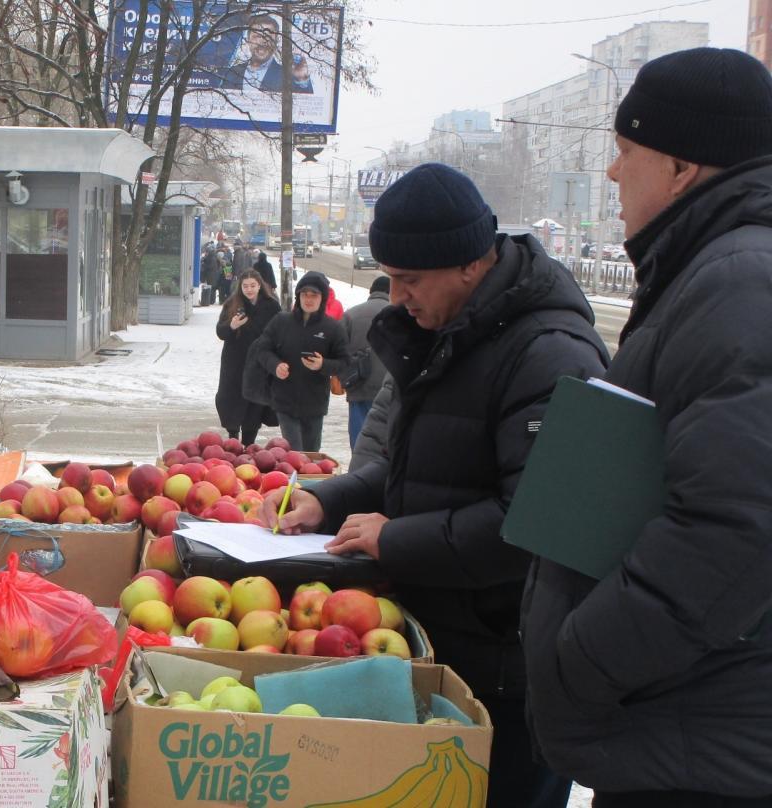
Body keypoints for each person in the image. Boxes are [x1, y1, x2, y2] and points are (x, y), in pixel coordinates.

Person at [260, 163, 608, 808]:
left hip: (508, 674)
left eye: (409, 280)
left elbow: (539, 527)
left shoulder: (551, 356)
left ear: (471, 265)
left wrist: (398, 539)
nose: (396, 298)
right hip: (448, 647)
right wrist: (330, 498)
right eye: (390, 278)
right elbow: (428, 467)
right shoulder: (455, 332)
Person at [522, 48, 772, 807]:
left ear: (681, 168)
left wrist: (580, 660)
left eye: (625, 151)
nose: (610, 174)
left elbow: (733, 530)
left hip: (702, 747)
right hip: (688, 727)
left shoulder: (741, 282)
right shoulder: (714, 270)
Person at [247, 270, 348, 452]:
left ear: (322, 298)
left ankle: (309, 480)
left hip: (315, 402)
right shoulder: (281, 321)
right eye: (304, 294)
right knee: (294, 452)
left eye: (314, 295)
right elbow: (262, 349)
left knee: (310, 454)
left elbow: (345, 363)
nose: (308, 299)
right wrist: (275, 365)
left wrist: (323, 365)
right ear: (298, 296)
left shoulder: (333, 328)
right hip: (285, 399)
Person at [215, 270, 281, 445]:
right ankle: (232, 438)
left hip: (259, 361)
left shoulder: (272, 306)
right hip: (235, 361)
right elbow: (220, 332)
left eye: (253, 286)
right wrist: (232, 325)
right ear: (240, 287)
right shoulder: (232, 304)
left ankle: (249, 442)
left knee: (255, 400)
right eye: (245, 286)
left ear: (260, 286)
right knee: (232, 398)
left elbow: (279, 333)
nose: (249, 290)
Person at [341, 275, 390, 448]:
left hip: (358, 385)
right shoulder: (399, 313)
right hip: (389, 386)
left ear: (371, 292)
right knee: (386, 436)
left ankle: (358, 469)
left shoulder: (351, 314)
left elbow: (339, 349)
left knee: (359, 434)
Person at [220, 14, 313, 94]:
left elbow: (305, 109)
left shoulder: (288, 76)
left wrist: (301, 78)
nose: (263, 41)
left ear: (276, 41)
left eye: (268, 36)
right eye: (257, 36)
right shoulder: (232, 73)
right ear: (248, 40)